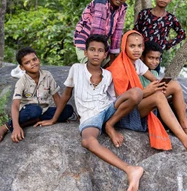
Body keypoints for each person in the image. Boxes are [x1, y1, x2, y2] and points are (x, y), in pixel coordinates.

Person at [60, 34, 144, 191]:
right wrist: (53, 119)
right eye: (92, 50)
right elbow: (66, 95)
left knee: (137, 93)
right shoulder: (76, 69)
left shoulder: (108, 75)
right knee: (87, 141)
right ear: (85, 52)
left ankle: (110, 126)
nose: (96, 54)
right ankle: (130, 169)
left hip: (108, 109)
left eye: (100, 51)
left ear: (106, 54)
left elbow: (114, 98)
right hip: (90, 116)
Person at [107, 30, 187, 152]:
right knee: (158, 97)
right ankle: (186, 142)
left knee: (174, 85)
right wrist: (147, 92)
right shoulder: (118, 68)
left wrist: (160, 85)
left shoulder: (137, 63)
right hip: (123, 113)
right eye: (132, 46)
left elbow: (154, 79)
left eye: (139, 46)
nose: (136, 50)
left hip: (137, 103)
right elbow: (121, 102)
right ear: (124, 47)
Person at [139, 41, 187, 152]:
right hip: (142, 109)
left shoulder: (154, 73)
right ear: (142, 57)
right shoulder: (137, 72)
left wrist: (173, 100)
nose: (154, 62)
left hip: (155, 104)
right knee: (169, 106)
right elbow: (137, 97)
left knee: (175, 87)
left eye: (157, 59)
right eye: (151, 58)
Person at [0, 47, 74, 143]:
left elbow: (56, 97)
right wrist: (16, 127)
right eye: (27, 62)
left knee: (68, 109)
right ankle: (6, 126)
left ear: (38, 59)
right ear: (22, 67)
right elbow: (15, 105)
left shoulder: (47, 75)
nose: (32, 63)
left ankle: (35, 120)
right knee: (35, 110)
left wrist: (57, 117)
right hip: (28, 111)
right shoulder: (21, 82)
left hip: (44, 111)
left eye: (34, 59)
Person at [74, 0, 135, 65]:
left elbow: (117, 33)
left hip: (102, 42)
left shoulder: (123, 8)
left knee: (111, 66)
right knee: (92, 66)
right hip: (85, 41)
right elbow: (97, 32)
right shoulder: (101, 3)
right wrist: (98, 53)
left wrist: (113, 58)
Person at [134, 0, 185, 72]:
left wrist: (168, 44)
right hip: (140, 57)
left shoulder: (170, 18)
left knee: (153, 82)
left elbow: (182, 34)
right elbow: (135, 33)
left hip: (155, 60)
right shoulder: (144, 14)